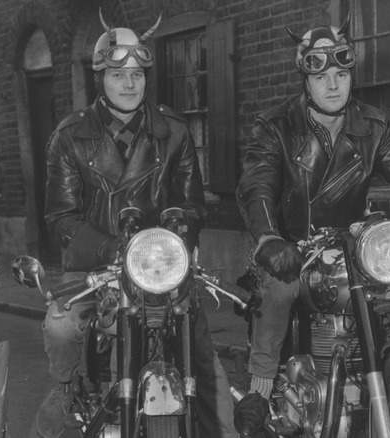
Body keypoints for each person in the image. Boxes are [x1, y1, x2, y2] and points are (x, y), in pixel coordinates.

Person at [234, 20, 390, 436]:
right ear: (306, 79)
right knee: (281, 287)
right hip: (291, 248)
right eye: (321, 76)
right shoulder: (277, 127)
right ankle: (261, 388)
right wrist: (268, 238)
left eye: (341, 74)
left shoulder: (372, 126)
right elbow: (257, 186)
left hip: (353, 243)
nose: (333, 85)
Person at [33, 16, 237, 438]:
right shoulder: (70, 136)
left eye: (137, 75)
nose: (129, 84)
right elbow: (60, 216)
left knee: (202, 355)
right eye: (117, 74)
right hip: (96, 264)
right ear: (99, 79)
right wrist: (110, 249)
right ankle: (67, 387)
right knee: (61, 325)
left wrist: (179, 231)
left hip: (161, 266)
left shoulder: (174, 131)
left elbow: (193, 205)